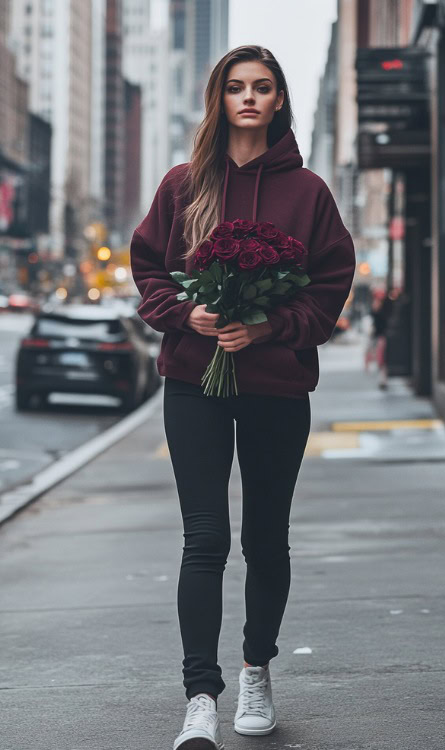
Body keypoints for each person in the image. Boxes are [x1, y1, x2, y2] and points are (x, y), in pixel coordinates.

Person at [130, 45, 356, 750]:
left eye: (262, 87)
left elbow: (328, 289)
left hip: (277, 388)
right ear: (219, 98)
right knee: (205, 539)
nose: (249, 98)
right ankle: (201, 696)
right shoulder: (182, 184)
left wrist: (267, 326)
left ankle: (258, 667)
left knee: (265, 538)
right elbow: (148, 271)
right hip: (194, 382)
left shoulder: (310, 192)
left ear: (280, 98)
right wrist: (186, 315)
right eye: (237, 87)